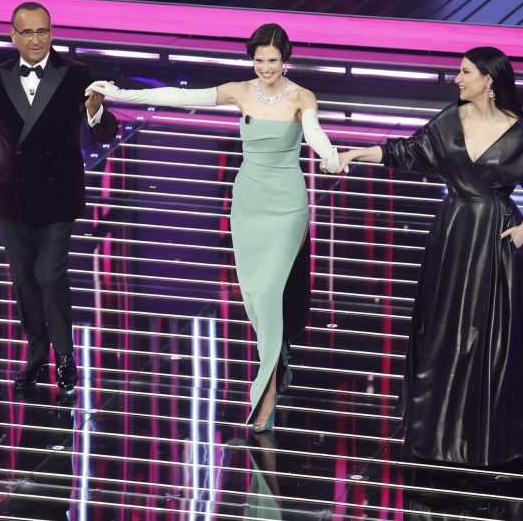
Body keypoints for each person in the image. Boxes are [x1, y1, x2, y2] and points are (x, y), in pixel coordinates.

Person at [85, 23, 342, 432]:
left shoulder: (301, 96)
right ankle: (279, 358)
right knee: (254, 296)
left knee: (269, 292)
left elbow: (314, 133)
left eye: (273, 60)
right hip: (249, 202)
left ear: (285, 60)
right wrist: (120, 93)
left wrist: (329, 155)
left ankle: (265, 394)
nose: (265, 68)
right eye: (259, 60)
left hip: (287, 206)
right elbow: (180, 96)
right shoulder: (240, 91)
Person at [339, 46, 523, 465]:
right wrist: (358, 153)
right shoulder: (450, 120)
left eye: (465, 72)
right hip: (453, 234)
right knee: (445, 329)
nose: (457, 79)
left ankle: (487, 432)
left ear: (489, 79)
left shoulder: (516, 131)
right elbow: (408, 151)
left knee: (488, 335)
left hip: (496, 238)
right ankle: (439, 428)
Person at [0, 1, 118, 391]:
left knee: (49, 273)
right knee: (25, 281)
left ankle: (64, 355)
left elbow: (105, 132)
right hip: (13, 196)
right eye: (28, 32)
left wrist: (95, 113)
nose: (36, 40)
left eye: (43, 31)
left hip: (58, 193)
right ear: (13, 35)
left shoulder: (76, 73)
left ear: (52, 32)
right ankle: (36, 354)